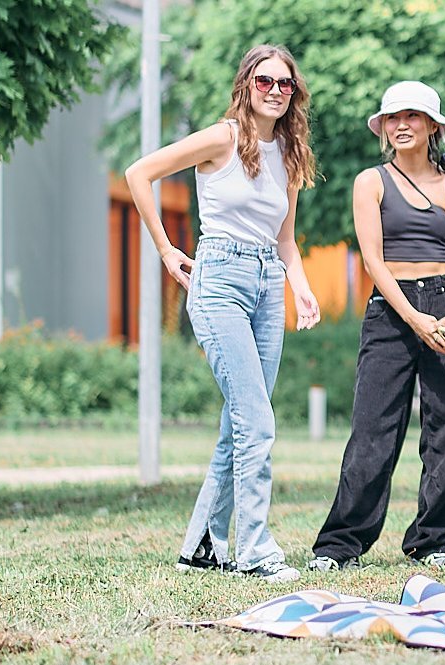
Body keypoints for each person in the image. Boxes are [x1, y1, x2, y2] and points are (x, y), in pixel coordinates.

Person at [125, 44, 322, 583]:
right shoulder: (223, 137)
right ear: (247, 85)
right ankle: (255, 551)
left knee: (239, 425)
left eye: (285, 84)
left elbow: (285, 237)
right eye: (266, 82)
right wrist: (167, 250)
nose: (276, 91)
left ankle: (201, 546)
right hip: (221, 281)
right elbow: (139, 173)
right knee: (256, 422)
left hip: (266, 284)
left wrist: (301, 289)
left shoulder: (289, 151)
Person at [306, 81, 445, 572]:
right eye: (393, 118)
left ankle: (432, 540)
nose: (402, 126)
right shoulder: (370, 182)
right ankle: (340, 544)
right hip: (392, 312)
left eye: (413, 117)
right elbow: (373, 260)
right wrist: (414, 318)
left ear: (433, 126)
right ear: (383, 128)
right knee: (373, 428)